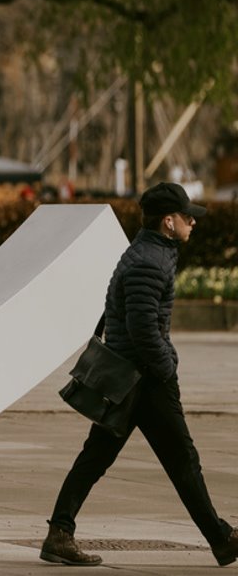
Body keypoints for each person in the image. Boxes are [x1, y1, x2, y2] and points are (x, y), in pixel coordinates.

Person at [41, 182, 236, 566]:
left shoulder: (145, 252)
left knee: (97, 457)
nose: (193, 222)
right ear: (168, 221)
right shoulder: (150, 260)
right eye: (187, 216)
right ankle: (221, 539)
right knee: (183, 460)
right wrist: (167, 366)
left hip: (128, 375)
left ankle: (60, 533)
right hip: (144, 379)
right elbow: (142, 327)